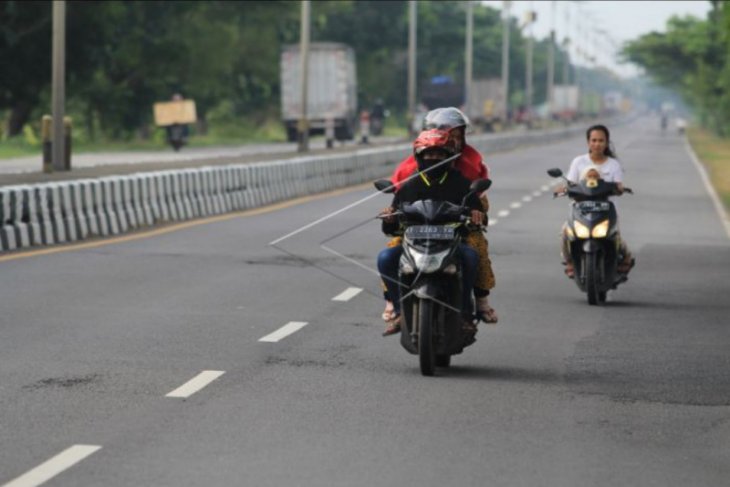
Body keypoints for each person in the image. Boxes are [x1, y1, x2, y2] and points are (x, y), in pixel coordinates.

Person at [382, 107, 498, 325]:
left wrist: (475, 215)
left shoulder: (464, 175)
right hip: (416, 234)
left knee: (475, 251)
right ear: (420, 153)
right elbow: (395, 212)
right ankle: (395, 305)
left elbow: (478, 206)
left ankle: (475, 304)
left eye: (458, 135)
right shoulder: (409, 180)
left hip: (454, 232)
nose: (434, 158)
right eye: (429, 154)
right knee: (388, 255)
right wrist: (391, 217)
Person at [559, 124, 634, 278]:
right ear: (588, 142)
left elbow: (619, 185)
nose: (597, 144)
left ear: (606, 143)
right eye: (593, 140)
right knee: (565, 231)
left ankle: (626, 257)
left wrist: (620, 188)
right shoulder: (578, 162)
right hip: (581, 210)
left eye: (601, 140)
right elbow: (570, 183)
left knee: (615, 237)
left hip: (606, 211)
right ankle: (569, 261)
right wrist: (563, 189)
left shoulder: (613, 165)